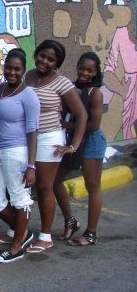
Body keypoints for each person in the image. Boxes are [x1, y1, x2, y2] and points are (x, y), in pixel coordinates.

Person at [24, 39, 87, 254]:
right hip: (25, 137)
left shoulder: (62, 83)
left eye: (51, 59)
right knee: (26, 185)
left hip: (49, 138)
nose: (44, 61)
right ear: (36, 54)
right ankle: (21, 231)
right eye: (42, 55)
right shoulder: (27, 75)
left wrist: (73, 145)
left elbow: (81, 115)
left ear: (56, 63)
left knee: (43, 187)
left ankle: (45, 236)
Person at [0, 48, 39, 263]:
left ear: (23, 70)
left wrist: (31, 166)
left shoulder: (28, 94)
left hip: (16, 151)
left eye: (17, 69)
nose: (12, 72)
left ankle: (18, 244)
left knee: (20, 198)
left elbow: (33, 131)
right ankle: (23, 231)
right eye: (8, 68)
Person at [53, 52, 106, 246]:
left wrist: (67, 126)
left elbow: (93, 125)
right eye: (81, 68)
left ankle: (91, 233)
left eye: (89, 70)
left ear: (95, 73)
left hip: (91, 141)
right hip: (73, 140)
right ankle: (71, 221)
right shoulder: (72, 88)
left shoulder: (95, 93)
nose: (84, 72)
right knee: (55, 181)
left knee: (92, 186)